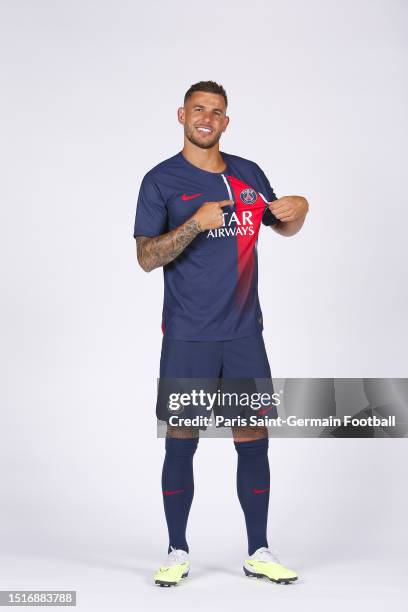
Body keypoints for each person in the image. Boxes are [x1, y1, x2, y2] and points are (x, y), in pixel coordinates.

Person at [133, 80, 309, 586]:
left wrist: (300, 214)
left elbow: (280, 224)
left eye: (216, 111)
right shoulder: (161, 181)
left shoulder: (249, 174)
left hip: (243, 335)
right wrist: (194, 223)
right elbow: (146, 258)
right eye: (198, 109)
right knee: (182, 439)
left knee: (254, 439)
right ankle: (176, 550)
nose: (207, 118)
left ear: (226, 122)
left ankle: (259, 550)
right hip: (188, 335)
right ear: (182, 115)